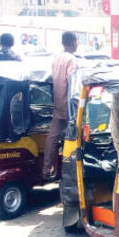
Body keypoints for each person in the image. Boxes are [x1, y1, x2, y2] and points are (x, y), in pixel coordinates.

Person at [43, 31, 78, 180]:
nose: (78, 44)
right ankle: (71, 171)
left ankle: (47, 169)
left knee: (52, 138)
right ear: (72, 42)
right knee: (74, 139)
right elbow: (73, 83)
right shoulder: (72, 60)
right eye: (77, 41)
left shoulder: (56, 59)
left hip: (58, 105)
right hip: (70, 107)